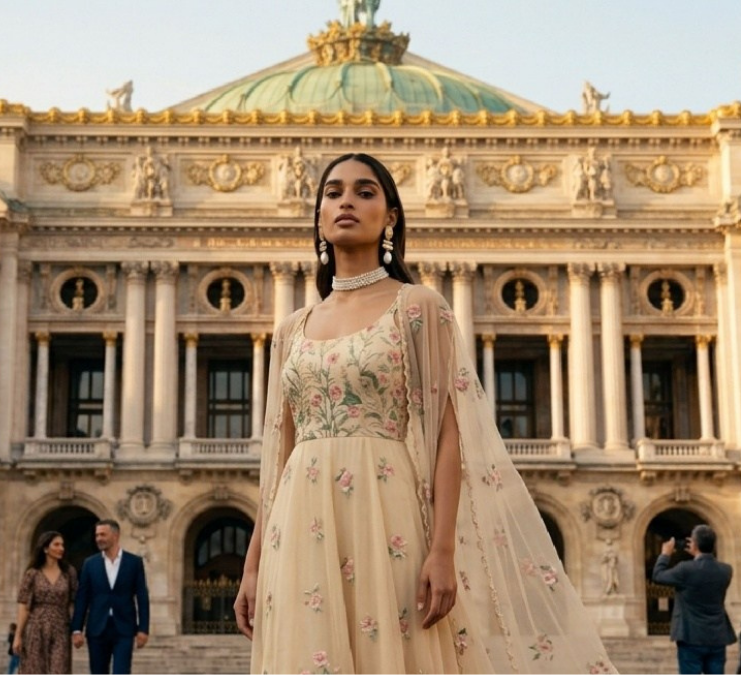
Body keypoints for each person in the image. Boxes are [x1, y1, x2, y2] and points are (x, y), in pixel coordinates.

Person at [233, 153, 615, 673]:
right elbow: (277, 458)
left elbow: (448, 437)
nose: (347, 201)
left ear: (390, 216)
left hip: (386, 508)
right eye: (333, 192)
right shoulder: (291, 328)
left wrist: (441, 550)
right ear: (319, 215)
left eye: (365, 192)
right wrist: (252, 566)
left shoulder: (418, 306)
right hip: (298, 519)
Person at [651, 525, 737, 674]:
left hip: (690, 635)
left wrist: (665, 554)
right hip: (717, 635)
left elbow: (658, 575)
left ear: (694, 544)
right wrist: (698, 553)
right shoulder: (726, 570)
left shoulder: (685, 569)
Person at [70, 519, 150, 675]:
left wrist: (143, 629)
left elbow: (142, 596)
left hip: (124, 628)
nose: (99, 538)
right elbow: (82, 598)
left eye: (103, 534)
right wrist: (77, 629)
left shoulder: (134, 562)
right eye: (97, 535)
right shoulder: (89, 564)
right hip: (97, 628)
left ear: (115, 535)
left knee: (122, 671)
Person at [13, 531, 77, 674]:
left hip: (61, 628)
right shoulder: (32, 573)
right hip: (35, 628)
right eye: (56, 544)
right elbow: (24, 605)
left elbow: (73, 602)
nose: (61, 548)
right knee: (34, 670)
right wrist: (18, 635)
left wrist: (76, 628)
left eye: (62, 545)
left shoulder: (69, 572)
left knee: (59, 670)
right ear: (45, 548)